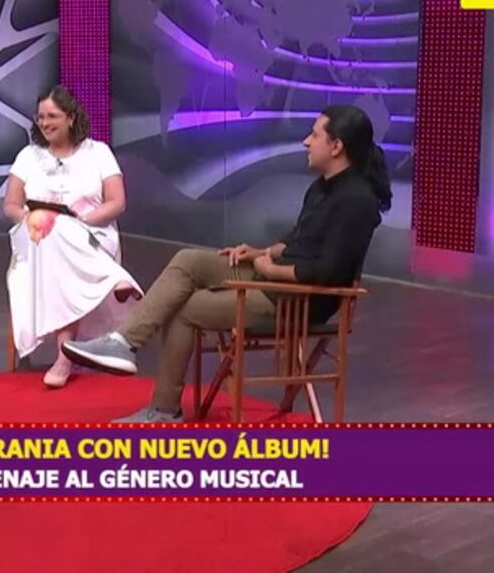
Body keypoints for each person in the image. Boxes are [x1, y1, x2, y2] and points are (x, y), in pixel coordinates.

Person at [60, 104, 391, 422]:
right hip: (276, 280)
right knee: (189, 260)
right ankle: (123, 343)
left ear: (336, 146)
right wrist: (260, 253)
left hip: (297, 300)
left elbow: (326, 272)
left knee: (183, 308)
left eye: (315, 135)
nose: (306, 141)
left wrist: (270, 270)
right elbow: (297, 241)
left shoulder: (357, 203)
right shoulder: (321, 188)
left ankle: (164, 409)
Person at [4, 85, 144, 388]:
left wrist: (80, 221)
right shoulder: (28, 156)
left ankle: (64, 357)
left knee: (62, 232)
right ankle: (113, 278)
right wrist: (30, 218)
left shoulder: (99, 152)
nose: (45, 123)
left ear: (70, 117)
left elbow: (117, 203)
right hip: (36, 238)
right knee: (53, 231)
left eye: (52, 116)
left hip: (92, 234)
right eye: (40, 117)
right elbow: (11, 205)